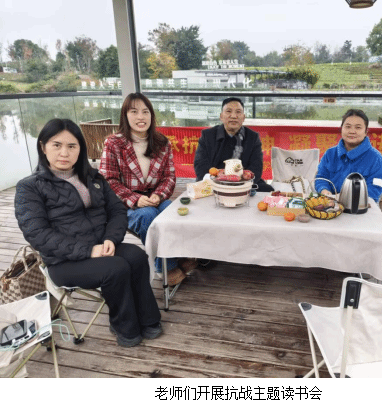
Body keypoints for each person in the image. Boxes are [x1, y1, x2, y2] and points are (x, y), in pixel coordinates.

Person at [15, 118, 161, 348]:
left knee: (136, 256)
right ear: (43, 147)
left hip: (102, 245)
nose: (64, 153)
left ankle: (148, 319)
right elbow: (37, 234)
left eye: (72, 146)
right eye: (57, 145)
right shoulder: (30, 187)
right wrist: (88, 250)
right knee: (116, 268)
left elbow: (117, 210)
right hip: (64, 262)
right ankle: (125, 327)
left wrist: (111, 238)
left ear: (80, 149)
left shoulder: (93, 176)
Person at [99, 93, 196, 286]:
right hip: (123, 205)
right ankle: (165, 267)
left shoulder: (162, 142)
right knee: (147, 215)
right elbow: (107, 180)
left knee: (172, 209)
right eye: (134, 112)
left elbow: (169, 177)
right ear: (125, 115)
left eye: (145, 112)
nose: (140, 117)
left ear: (151, 115)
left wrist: (159, 195)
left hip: (154, 198)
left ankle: (176, 256)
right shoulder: (114, 143)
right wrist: (134, 199)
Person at [194, 97, 274, 192]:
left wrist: (240, 182)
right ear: (221, 116)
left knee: (268, 189)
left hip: (243, 183)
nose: (233, 116)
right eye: (228, 111)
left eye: (238, 112)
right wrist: (218, 180)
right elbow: (200, 165)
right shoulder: (208, 135)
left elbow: (256, 166)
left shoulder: (253, 137)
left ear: (243, 117)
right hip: (215, 182)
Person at [314, 109, 382, 202]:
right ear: (341, 129)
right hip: (331, 203)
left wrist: (350, 200)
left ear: (366, 132)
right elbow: (321, 177)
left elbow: (375, 188)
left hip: (361, 206)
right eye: (348, 127)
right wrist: (324, 191)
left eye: (358, 127)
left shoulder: (376, 158)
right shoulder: (330, 153)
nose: (352, 131)